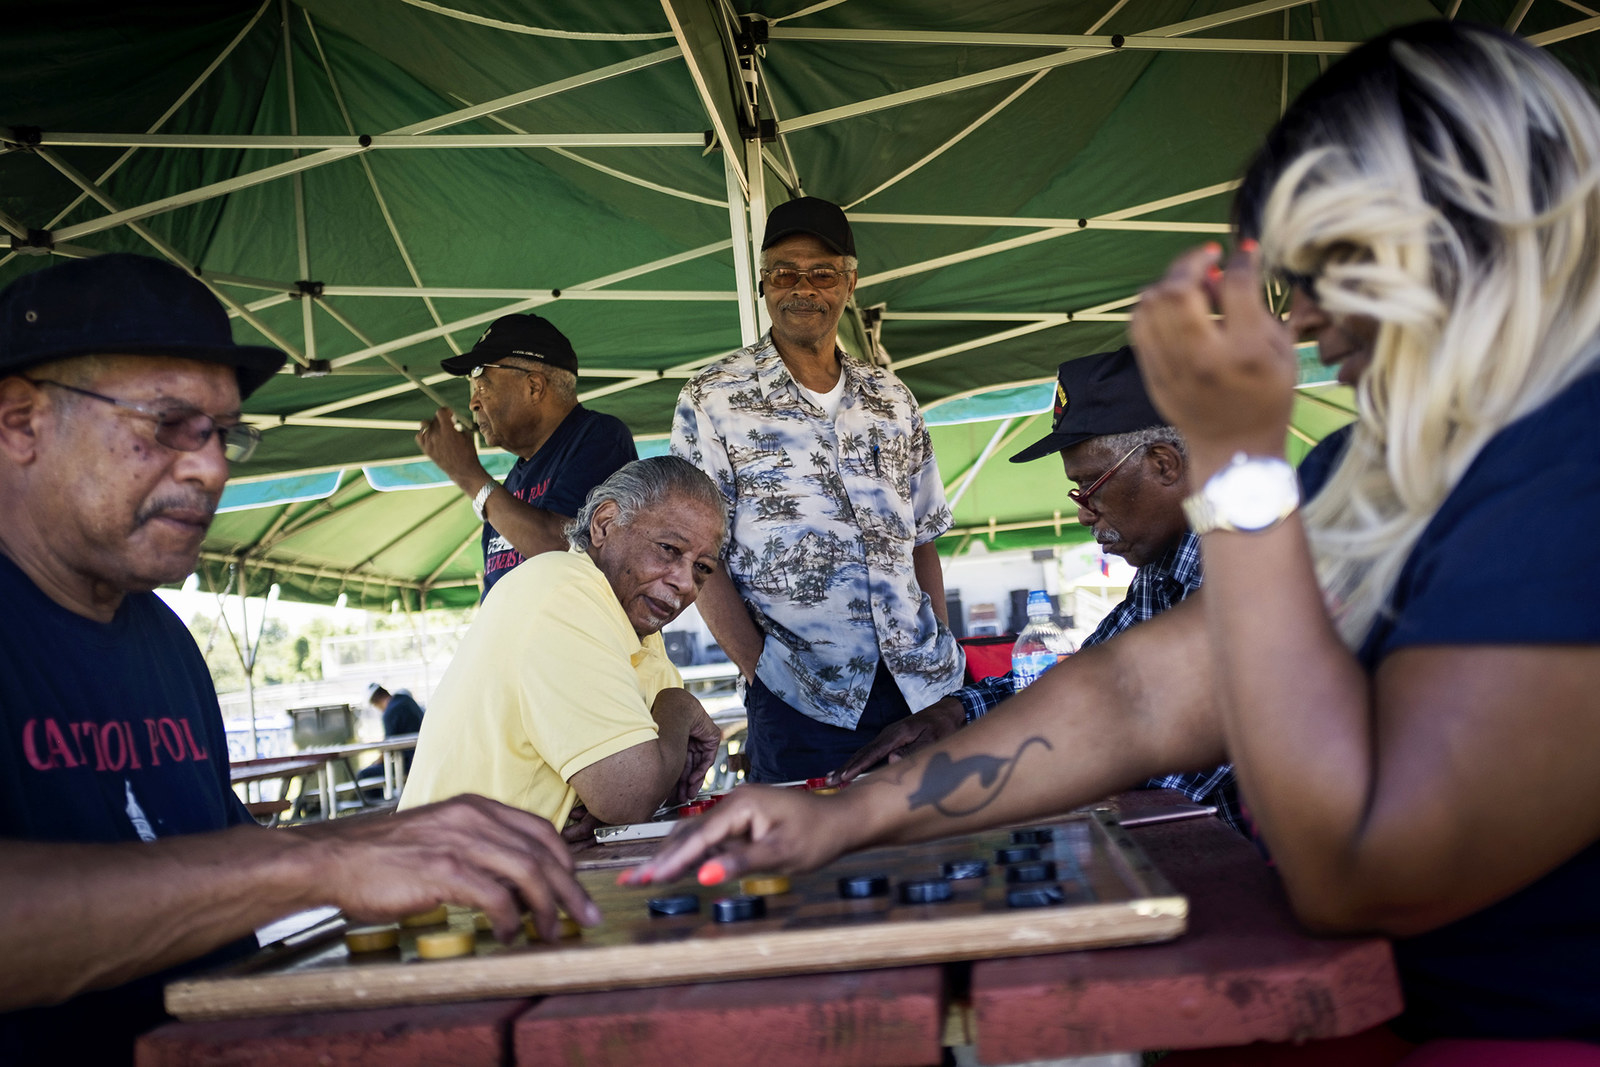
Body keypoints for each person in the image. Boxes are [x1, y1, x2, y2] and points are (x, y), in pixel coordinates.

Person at [631, 22, 1600, 1054]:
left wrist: (1236, 468)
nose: (1304, 316)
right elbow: (1137, 694)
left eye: (1327, 263)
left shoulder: (1572, 473)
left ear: (1468, 223)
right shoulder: (1363, 477)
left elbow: (1362, 870)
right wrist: (849, 818)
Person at [0, 254, 598, 1066]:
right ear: (19, 422)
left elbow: (206, 850)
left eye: (222, 434)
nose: (210, 466)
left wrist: (411, 834)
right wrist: (323, 858)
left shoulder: (162, 642)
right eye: (168, 424)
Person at [833, 347, 1242, 835]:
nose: (1083, 512)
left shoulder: (1251, 582)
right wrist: (958, 710)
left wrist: (906, 801)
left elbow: (1153, 774)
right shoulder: (1164, 568)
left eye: (1091, 485)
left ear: (1163, 464)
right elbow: (1094, 680)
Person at [671, 197, 964, 783]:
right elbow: (697, 557)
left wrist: (941, 645)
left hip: (924, 689)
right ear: (762, 284)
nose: (801, 287)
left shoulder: (892, 398)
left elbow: (923, 536)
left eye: (822, 273)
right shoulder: (713, 398)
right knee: (815, 869)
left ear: (849, 284)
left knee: (947, 854)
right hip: (802, 700)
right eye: (783, 272)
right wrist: (763, 672)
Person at [399, 456, 726, 833]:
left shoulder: (638, 631)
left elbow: (648, 788)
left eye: (703, 568)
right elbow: (629, 794)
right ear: (604, 524)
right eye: (669, 549)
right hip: (453, 886)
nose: (686, 583)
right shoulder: (564, 591)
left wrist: (627, 788)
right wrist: (680, 708)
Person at [416, 313, 636, 597]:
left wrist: (469, 476)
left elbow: (564, 554)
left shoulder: (601, 438)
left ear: (534, 387)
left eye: (482, 385)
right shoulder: (508, 487)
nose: (473, 403)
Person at [356, 683, 425, 785]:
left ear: (375, 703)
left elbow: (388, 748)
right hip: (424, 756)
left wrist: (375, 764)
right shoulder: (406, 699)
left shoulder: (390, 712)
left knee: (363, 774)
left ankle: (376, 800)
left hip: (409, 764)